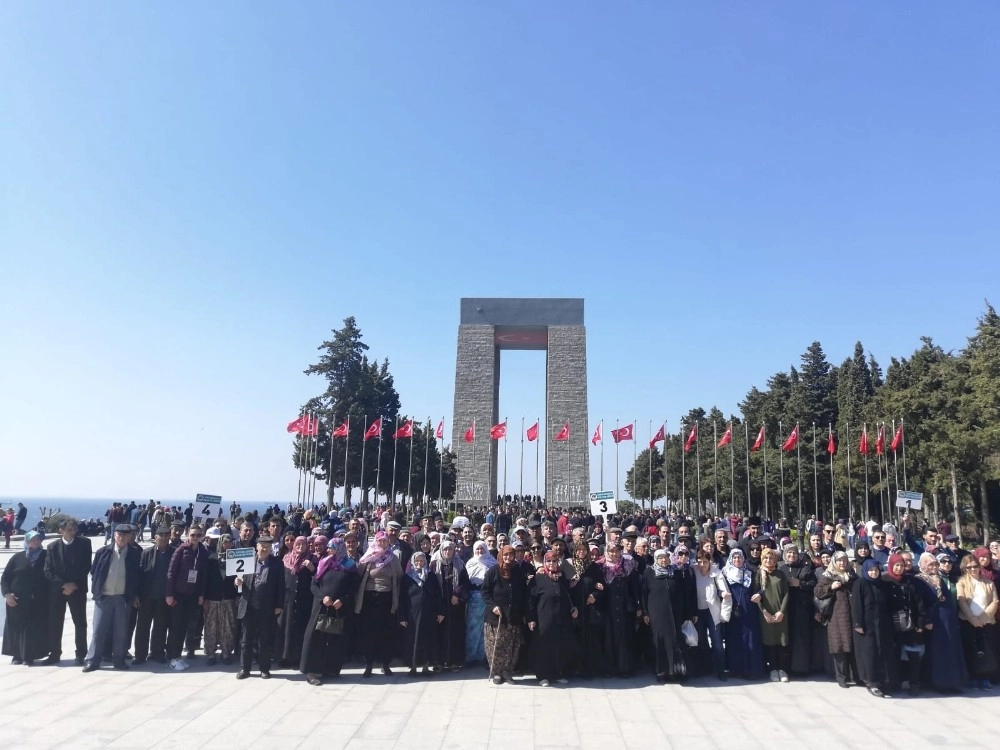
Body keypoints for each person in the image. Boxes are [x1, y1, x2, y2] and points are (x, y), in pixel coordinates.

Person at [301, 538, 359, 686]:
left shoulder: (350, 566)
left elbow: (353, 589)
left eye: (332, 548)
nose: (328, 550)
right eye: (329, 548)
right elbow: (314, 584)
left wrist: (343, 600)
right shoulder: (324, 563)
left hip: (338, 607)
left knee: (334, 638)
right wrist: (322, 597)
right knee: (315, 637)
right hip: (321, 605)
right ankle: (311, 671)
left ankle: (330, 668)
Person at [83, 524, 140, 672]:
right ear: (114, 535)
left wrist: (133, 595)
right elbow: (94, 571)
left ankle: (119, 660)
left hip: (122, 598)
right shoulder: (103, 552)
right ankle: (93, 661)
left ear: (129, 537)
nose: (121, 538)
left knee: (121, 632)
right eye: (119, 535)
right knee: (98, 631)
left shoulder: (134, 554)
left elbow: (137, 577)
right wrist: (96, 591)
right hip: (104, 597)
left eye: (125, 535)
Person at [43, 518, 92, 665]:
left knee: (80, 623)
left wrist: (73, 584)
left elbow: (86, 566)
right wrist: (64, 584)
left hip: (78, 589)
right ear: (61, 531)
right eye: (69, 529)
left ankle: (81, 654)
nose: (73, 532)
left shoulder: (84, 543)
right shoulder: (52, 547)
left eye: (74, 529)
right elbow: (48, 570)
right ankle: (54, 653)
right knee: (56, 622)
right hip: (58, 591)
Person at [915, 552, 966, 693]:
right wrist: (926, 620)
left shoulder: (939, 578)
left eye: (935, 564)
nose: (933, 567)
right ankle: (940, 684)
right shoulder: (919, 580)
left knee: (951, 651)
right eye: (930, 564)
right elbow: (920, 603)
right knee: (938, 653)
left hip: (948, 620)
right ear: (923, 565)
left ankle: (952, 682)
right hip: (934, 621)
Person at [236, 535, 285, 679]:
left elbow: (281, 587)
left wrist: (279, 605)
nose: (264, 549)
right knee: (246, 640)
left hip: (267, 607)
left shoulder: (277, 564)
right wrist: (237, 582)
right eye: (262, 546)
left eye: (267, 547)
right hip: (249, 605)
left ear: (271, 549)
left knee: (265, 640)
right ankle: (245, 669)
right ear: (257, 546)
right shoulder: (247, 561)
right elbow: (240, 580)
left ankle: (265, 669)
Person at [355, 530, 403, 677]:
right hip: (370, 598)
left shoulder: (393, 558)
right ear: (376, 541)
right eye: (380, 540)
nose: (382, 543)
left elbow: (400, 575)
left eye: (385, 541)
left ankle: (385, 664)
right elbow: (359, 572)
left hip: (387, 598)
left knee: (386, 632)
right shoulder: (369, 556)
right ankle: (369, 664)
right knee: (369, 632)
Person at [527, 551, 578, 686]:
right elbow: (530, 600)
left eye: (554, 561)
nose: (551, 564)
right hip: (543, 618)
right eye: (548, 561)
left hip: (561, 618)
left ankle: (556, 673)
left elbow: (568, 596)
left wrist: (573, 608)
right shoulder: (538, 579)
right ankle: (542, 676)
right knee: (543, 646)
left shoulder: (561, 578)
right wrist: (531, 618)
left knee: (558, 645)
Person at [165, 524, 210, 671]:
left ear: (202, 536)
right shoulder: (181, 550)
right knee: (176, 627)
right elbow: (171, 573)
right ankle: (173, 657)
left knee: (185, 626)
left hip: (192, 595)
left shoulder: (203, 552)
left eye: (198, 535)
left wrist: (201, 594)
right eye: (193, 535)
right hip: (178, 594)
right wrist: (169, 594)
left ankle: (178, 656)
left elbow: (203, 575)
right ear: (188, 535)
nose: (195, 538)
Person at [884, 551, 929, 695]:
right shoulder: (885, 581)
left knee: (913, 656)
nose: (898, 568)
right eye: (896, 565)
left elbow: (919, 604)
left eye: (901, 565)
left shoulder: (910, 581)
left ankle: (914, 683)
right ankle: (894, 682)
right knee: (893, 656)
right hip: (892, 626)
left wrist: (920, 624)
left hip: (910, 625)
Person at [2, 530, 50, 665]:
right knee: (17, 627)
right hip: (17, 599)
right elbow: (5, 578)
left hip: (38, 599)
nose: (36, 541)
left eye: (38, 539)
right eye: (33, 539)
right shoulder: (17, 557)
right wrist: (7, 594)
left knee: (33, 628)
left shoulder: (46, 556)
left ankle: (29, 655)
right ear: (27, 541)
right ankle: (16, 655)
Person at [482, 544, 527, 685]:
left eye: (511, 555)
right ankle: (496, 672)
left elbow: (523, 593)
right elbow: (485, 592)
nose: (508, 557)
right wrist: (493, 606)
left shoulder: (518, 572)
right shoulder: (493, 571)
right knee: (496, 645)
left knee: (511, 646)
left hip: (513, 616)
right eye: (506, 555)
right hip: (496, 617)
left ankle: (507, 672)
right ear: (501, 555)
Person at [642, 548, 688, 682]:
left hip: (674, 613)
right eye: (660, 558)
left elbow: (681, 593)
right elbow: (644, 593)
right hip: (657, 612)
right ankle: (661, 672)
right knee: (659, 640)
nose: (663, 560)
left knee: (674, 641)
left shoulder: (675, 572)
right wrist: (645, 612)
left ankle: (674, 671)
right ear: (656, 559)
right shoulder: (649, 572)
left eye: (665, 557)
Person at [851, 559, 896, 697]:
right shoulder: (861, 583)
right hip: (866, 626)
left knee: (883, 653)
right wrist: (858, 624)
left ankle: (885, 682)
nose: (873, 573)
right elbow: (856, 604)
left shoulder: (883, 584)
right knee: (869, 654)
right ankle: (872, 682)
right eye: (870, 570)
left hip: (882, 625)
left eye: (875, 570)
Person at [814, 550, 857, 688]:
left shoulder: (852, 575)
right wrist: (831, 587)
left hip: (851, 615)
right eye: (839, 561)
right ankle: (841, 677)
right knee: (839, 646)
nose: (842, 563)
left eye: (844, 560)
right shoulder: (829, 576)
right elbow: (818, 592)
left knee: (851, 645)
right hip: (836, 616)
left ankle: (853, 675)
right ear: (834, 562)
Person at [957, 551, 999, 689]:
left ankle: (985, 678)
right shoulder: (962, 583)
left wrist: (983, 618)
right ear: (965, 569)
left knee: (987, 650)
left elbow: (995, 601)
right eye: (969, 567)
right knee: (972, 650)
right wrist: (973, 619)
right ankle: (973, 677)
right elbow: (962, 602)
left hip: (986, 622)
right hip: (968, 622)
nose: (973, 569)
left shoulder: (988, 583)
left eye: (975, 566)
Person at [398, 551, 444, 676]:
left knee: (428, 639)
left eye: (421, 560)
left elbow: (437, 595)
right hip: (412, 614)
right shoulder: (407, 577)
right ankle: (413, 667)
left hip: (429, 613)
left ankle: (425, 666)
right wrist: (402, 617)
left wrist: (440, 612)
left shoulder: (431, 576)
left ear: (425, 561)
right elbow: (402, 598)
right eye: (417, 561)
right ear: (413, 562)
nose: (419, 563)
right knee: (414, 640)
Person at [721, 548, 764, 679]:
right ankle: (735, 670)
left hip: (748, 611)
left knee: (750, 639)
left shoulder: (751, 573)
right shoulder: (725, 573)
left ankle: (751, 670)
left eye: (739, 557)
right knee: (734, 640)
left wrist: (759, 595)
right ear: (731, 559)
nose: (737, 560)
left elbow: (760, 589)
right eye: (734, 557)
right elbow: (719, 589)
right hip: (733, 612)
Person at [600, 542, 640, 676]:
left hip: (624, 606)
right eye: (611, 551)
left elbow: (634, 587)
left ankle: (625, 668)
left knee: (625, 636)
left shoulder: (628, 565)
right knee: (609, 636)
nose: (614, 554)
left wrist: (637, 605)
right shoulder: (602, 567)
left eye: (617, 551)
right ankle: (609, 669)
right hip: (608, 607)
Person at [134, 525, 173, 664]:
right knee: (142, 627)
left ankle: (157, 652)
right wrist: (136, 595)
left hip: (164, 597)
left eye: (166, 535)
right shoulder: (146, 553)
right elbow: (139, 575)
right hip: (146, 596)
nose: (163, 538)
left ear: (169, 537)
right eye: (160, 536)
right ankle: (140, 655)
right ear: (155, 537)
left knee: (160, 627)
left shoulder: (174, 553)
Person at [778, 543, 818, 676]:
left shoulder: (805, 568)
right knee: (786, 638)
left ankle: (802, 668)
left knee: (801, 638)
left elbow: (814, 585)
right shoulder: (781, 568)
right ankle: (786, 667)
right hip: (785, 609)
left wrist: (800, 584)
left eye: (794, 553)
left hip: (801, 609)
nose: (791, 555)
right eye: (789, 553)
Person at [751, 547, 789, 682]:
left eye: (771, 558)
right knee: (770, 642)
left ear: (775, 559)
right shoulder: (758, 574)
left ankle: (782, 670)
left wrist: (781, 611)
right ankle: (773, 669)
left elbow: (786, 594)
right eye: (766, 558)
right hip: (766, 614)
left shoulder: (780, 574)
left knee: (781, 641)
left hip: (780, 614)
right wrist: (764, 612)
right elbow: (756, 596)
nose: (768, 560)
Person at [431, 539, 469, 671]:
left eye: (450, 549)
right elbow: (432, 585)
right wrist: (438, 605)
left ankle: (454, 661)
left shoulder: (459, 564)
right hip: (440, 604)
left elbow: (465, 583)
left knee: (454, 632)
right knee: (439, 633)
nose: (448, 552)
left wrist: (457, 594)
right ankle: (439, 662)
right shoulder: (434, 564)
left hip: (455, 605)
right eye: (445, 549)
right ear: (441, 550)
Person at [278, 536, 317, 667]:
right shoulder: (286, 558)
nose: (300, 547)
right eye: (298, 544)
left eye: (303, 544)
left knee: (301, 627)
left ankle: (298, 657)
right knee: (287, 627)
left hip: (304, 599)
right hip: (288, 599)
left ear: (307, 546)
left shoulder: (312, 559)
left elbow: (319, 578)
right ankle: (284, 657)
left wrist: (312, 569)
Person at [692, 549, 730, 680]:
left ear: (710, 562)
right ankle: (706, 667)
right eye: (700, 561)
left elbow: (724, 591)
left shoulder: (716, 573)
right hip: (698, 611)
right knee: (701, 640)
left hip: (712, 611)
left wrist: (724, 613)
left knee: (717, 642)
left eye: (705, 561)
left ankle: (720, 670)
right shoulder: (694, 571)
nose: (702, 564)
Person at [203, 533, 238, 665]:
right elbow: (205, 579)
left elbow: (241, 578)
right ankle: (211, 654)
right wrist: (204, 597)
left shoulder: (235, 558)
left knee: (228, 627)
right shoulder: (211, 558)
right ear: (220, 543)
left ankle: (226, 653)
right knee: (211, 627)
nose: (227, 544)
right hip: (212, 598)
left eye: (230, 542)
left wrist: (237, 596)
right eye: (225, 542)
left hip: (229, 598)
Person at [464, 540, 496, 666]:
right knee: (473, 628)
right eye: (477, 549)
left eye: (482, 549)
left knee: (486, 628)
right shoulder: (470, 564)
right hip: (474, 599)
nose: (479, 551)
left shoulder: (492, 563)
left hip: (488, 598)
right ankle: (471, 657)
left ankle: (485, 658)